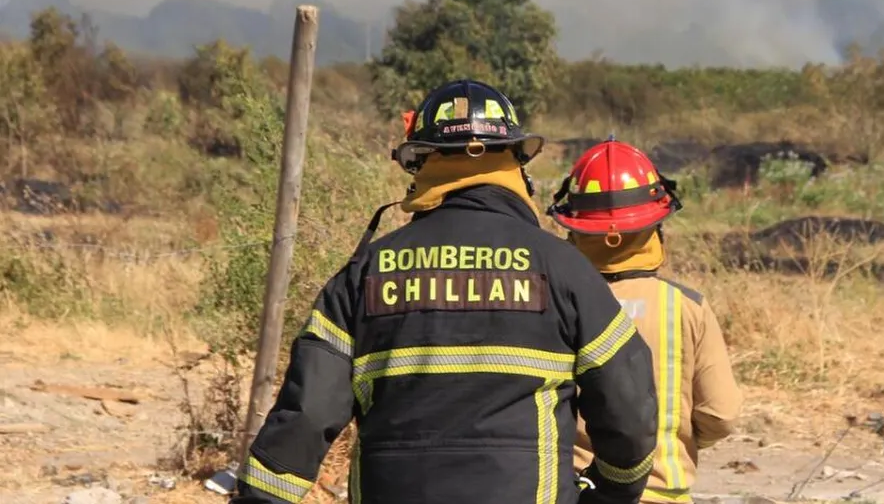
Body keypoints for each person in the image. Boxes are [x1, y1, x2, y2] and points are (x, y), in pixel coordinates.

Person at [233, 80, 659, 504]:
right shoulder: (565, 271)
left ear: (420, 164)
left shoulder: (365, 274)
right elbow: (627, 407)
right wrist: (612, 491)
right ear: (515, 162)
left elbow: (306, 413)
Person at [547, 138, 743, 504]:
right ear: (655, 225)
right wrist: (676, 438)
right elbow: (721, 413)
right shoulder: (687, 307)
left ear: (573, 227)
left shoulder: (552, 302)